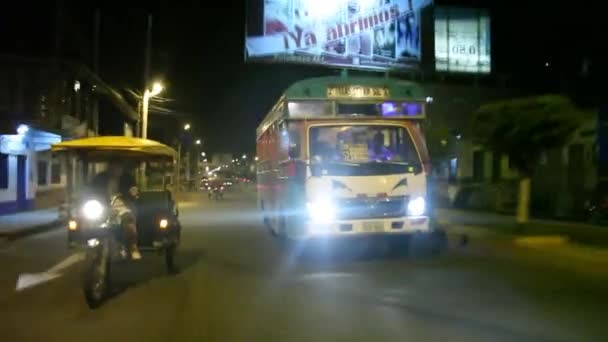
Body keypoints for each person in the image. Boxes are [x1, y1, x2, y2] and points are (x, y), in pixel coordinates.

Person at [90, 160, 141, 260]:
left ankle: (133, 246)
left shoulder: (128, 178)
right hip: (103, 206)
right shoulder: (100, 178)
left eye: (119, 166)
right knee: (89, 218)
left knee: (129, 220)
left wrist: (133, 192)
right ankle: (91, 243)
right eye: (113, 166)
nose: (116, 169)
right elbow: (91, 190)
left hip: (122, 205)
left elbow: (134, 190)